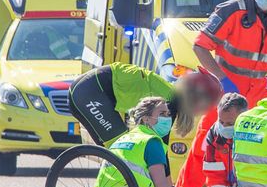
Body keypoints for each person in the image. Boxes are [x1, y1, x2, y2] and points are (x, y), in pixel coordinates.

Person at [176, 0, 267, 187]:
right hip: (227, 91)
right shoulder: (233, 10)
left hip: (259, 92)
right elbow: (200, 46)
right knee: (206, 145)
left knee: (265, 146)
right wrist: (222, 79)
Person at [68, 62, 221, 147]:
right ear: (197, 98)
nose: (205, 112)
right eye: (207, 106)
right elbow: (160, 151)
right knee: (120, 149)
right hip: (90, 92)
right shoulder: (171, 102)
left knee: (117, 154)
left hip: (87, 89)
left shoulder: (171, 94)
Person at [200, 92, 249, 187]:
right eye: (221, 122)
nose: (224, 127)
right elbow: (214, 176)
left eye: (230, 123)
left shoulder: (252, 136)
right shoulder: (214, 136)